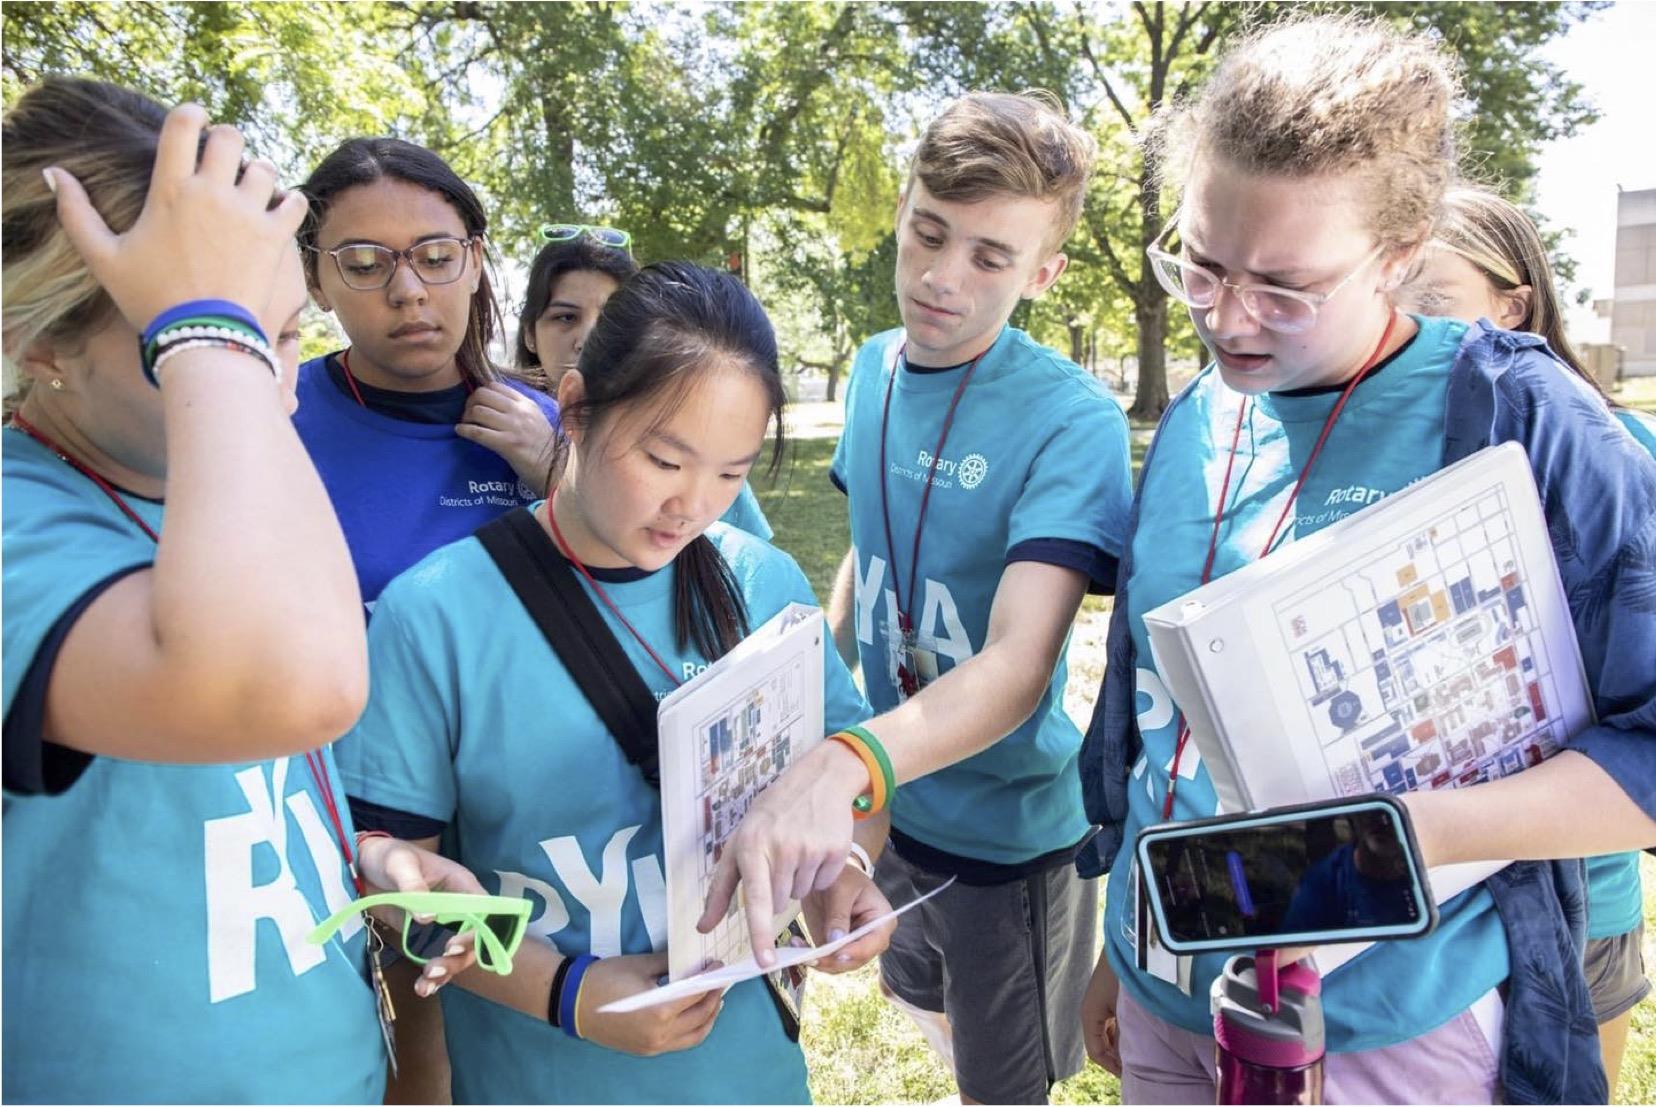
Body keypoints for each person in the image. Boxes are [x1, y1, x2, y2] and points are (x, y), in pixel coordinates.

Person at [1073, 17, 1656, 1104]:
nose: (1227, 319)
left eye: (1284, 288)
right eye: (1200, 263)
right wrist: (1126, 944)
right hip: (1171, 995)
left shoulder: (1519, 417)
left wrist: (1408, 838)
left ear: (1399, 253)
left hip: (1390, 1030)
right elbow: (1164, 724)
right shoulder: (1199, 410)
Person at [1, 79, 478, 1103]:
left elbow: (235, 783)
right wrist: (217, 337)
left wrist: (366, 857)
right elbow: (293, 687)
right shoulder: (18, 526)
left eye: (286, 335)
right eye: (186, 337)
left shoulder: (201, 494)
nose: (274, 389)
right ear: (38, 345)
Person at [334, 261, 894, 1104]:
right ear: (574, 406)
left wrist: (841, 870)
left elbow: (849, 772)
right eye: (664, 459)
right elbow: (392, 879)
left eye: (731, 473)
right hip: (539, 1076)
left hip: (748, 1076)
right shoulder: (435, 614)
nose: (691, 505)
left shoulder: (765, 584)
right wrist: (566, 992)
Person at [704, 91, 1134, 1105]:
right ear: (900, 210)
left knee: (1004, 1083)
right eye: (930, 233)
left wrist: (845, 760)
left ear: (1043, 273)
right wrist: (814, 700)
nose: (943, 277)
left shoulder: (1073, 419)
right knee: (917, 1003)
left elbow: (1021, 665)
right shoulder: (869, 368)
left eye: (991, 256)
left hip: (1005, 841)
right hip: (889, 809)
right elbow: (870, 548)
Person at [1397, 182, 1656, 1092]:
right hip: (1444, 905)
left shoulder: (1609, 448)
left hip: (1583, 878)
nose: (1403, 319)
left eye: (1431, 295)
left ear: (1512, 306)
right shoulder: (1396, 444)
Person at [293, 137, 561, 611]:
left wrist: (559, 481)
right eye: (364, 265)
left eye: (436, 258)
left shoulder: (551, 428)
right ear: (316, 282)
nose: (408, 290)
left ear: (474, 263)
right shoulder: (273, 420)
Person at [514, 225, 776, 542]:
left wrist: (559, 477)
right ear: (529, 333)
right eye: (566, 317)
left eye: (608, 320)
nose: (588, 338)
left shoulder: (702, 441)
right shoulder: (495, 428)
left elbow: (742, 556)